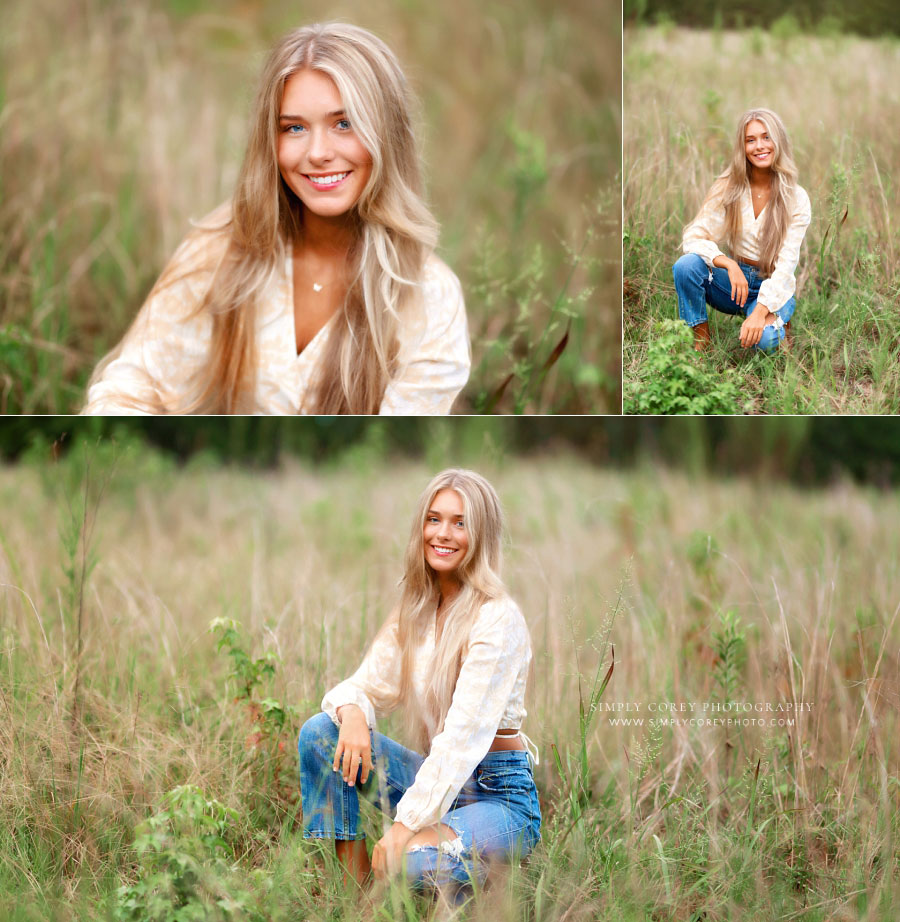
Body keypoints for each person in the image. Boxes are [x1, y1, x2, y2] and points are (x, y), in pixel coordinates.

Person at [82, 23, 469, 414]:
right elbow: (134, 385)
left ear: (387, 133)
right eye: (295, 127)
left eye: (344, 123)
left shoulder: (431, 296)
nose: (318, 152)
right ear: (272, 139)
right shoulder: (221, 246)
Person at [297, 469, 540, 906]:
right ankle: (355, 902)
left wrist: (402, 828)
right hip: (439, 781)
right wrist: (352, 713)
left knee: (408, 859)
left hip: (500, 795)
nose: (443, 534)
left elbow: (461, 743)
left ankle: (484, 881)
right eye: (434, 519)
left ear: (481, 535)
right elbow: (364, 685)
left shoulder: (498, 619)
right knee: (319, 733)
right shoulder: (418, 607)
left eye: (460, 523)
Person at [672, 108, 811, 353]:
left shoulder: (796, 198)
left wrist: (759, 312)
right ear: (743, 147)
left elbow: (787, 265)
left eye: (766, 137)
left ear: (778, 141)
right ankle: (702, 344)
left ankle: (779, 322)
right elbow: (693, 236)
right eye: (751, 140)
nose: (759, 146)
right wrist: (727, 263)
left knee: (766, 341)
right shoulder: (729, 185)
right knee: (686, 267)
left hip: (771, 280)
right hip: (736, 283)